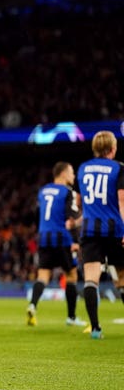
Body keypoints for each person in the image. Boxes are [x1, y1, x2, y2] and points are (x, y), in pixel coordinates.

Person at [76, 130, 124, 339]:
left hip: (90, 230)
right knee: (121, 278)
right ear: (113, 148)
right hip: (114, 229)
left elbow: (79, 201)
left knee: (91, 280)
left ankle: (95, 328)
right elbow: (122, 202)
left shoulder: (83, 169)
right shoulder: (119, 168)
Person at [26, 162, 86, 327]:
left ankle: (32, 305)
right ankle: (71, 318)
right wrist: (75, 239)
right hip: (61, 237)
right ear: (64, 173)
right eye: (72, 172)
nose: (73, 176)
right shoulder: (68, 193)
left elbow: (38, 216)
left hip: (44, 236)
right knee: (72, 275)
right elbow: (71, 219)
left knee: (43, 276)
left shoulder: (43, 191)